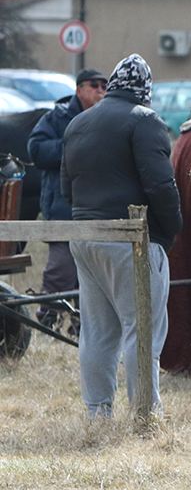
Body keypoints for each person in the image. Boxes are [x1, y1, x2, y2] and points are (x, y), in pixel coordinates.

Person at [60, 55, 182, 418]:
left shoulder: (77, 123)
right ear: (145, 89)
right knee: (141, 328)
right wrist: (173, 227)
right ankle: (145, 412)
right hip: (131, 239)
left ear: (112, 85)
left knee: (97, 332)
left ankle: (97, 413)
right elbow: (161, 185)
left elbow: (68, 189)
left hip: (84, 236)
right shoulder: (145, 121)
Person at [26, 68, 108, 331]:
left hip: (96, 208)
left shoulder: (105, 118)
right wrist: (72, 144)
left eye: (104, 86)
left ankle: (81, 323)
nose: (100, 90)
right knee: (60, 269)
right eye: (93, 85)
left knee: (91, 272)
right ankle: (48, 318)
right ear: (78, 90)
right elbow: (36, 150)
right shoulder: (57, 117)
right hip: (63, 207)